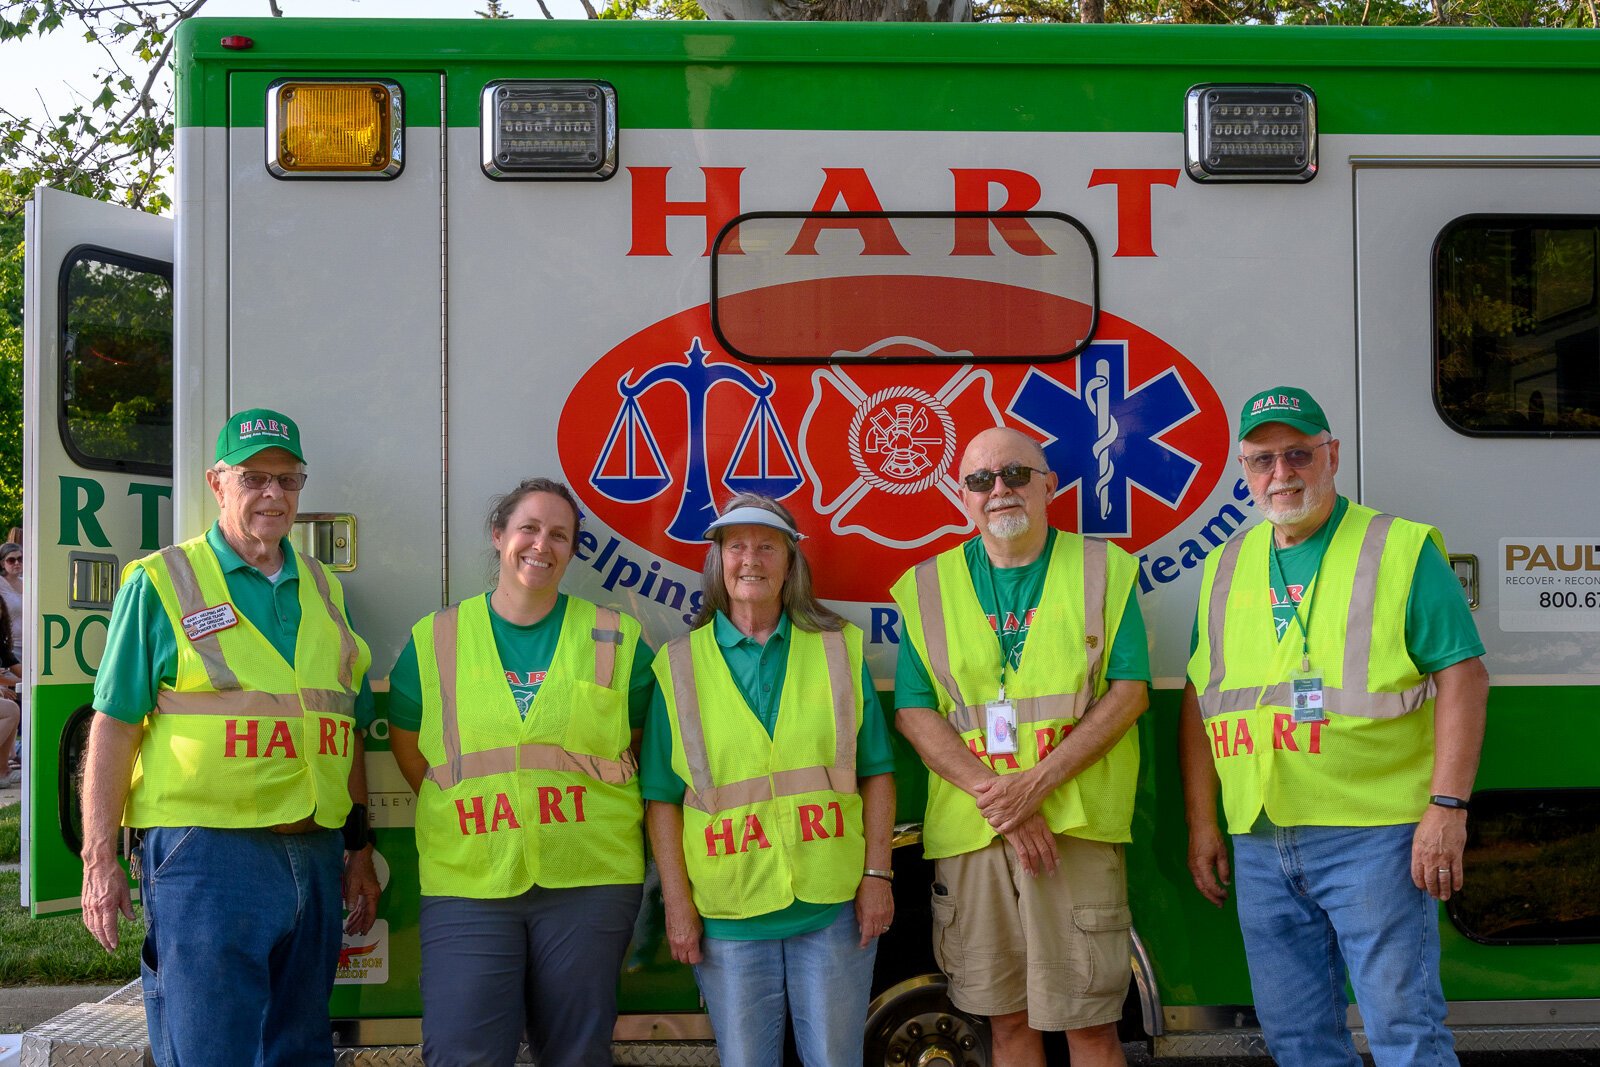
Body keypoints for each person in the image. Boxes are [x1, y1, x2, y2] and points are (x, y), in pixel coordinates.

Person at [1179, 386, 1489, 1067]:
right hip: (1260, 839)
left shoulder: (1400, 549)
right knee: (1297, 1041)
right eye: (1263, 460)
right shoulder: (1225, 566)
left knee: (1404, 1032)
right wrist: (1204, 821)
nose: (1281, 474)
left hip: (1373, 837)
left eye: (1298, 454)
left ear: (1332, 456)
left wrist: (1446, 807)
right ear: (1243, 469)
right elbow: (1203, 697)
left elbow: (1465, 676)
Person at [79, 407, 380, 1067]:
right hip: (208, 857)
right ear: (218, 483)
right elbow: (115, 723)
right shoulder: (163, 581)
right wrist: (99, 859)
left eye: (287, 479)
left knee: (300, 1047)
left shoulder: (326, 590)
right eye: (254, 478)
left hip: (316, 852)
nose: (273, 494)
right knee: (211, 1050)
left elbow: (343, 727)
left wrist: (358, 850)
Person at [891, 426, 1150, 1067]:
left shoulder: (1103, 569)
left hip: (1076, 828)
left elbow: (1129, 694)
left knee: (1089, 1026)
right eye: (980, 480)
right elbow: (915, 713)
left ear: (1049, 486)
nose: (998, 489)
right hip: (975, 832)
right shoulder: (926, 586)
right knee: (1004, 1025)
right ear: (962, 496)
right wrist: (1002, 801)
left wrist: (1033, 787)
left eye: (1016, 474)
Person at [387, 477, 654, 1067]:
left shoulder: (617, 637)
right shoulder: (436, 639)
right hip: (469, 881)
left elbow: (636, 743)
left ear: (572, 550)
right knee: (464, 1052)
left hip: (590, 877)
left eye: (560, 535)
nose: (542, 545)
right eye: (528, 528)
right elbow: (412, 751)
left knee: (577, 1055)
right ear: (499, 536)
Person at [645, 494, 896, 1067]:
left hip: (831, 905)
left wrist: (877, 874)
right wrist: (678, 905)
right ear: (718, 561)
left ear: (791, 563)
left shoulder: (838, 650)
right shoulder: (679, 664)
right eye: (736, 546)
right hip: (730, 913)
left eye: (767, 546)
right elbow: (662, 800)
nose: (750, 559)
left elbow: (877, 772)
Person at [1, 542, 22, 662]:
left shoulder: (29, 582)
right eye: (11, 560)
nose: (17, 563)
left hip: (32, 644)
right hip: (9, 647)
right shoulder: (1, 584)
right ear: (2, 563)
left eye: (20, 558)